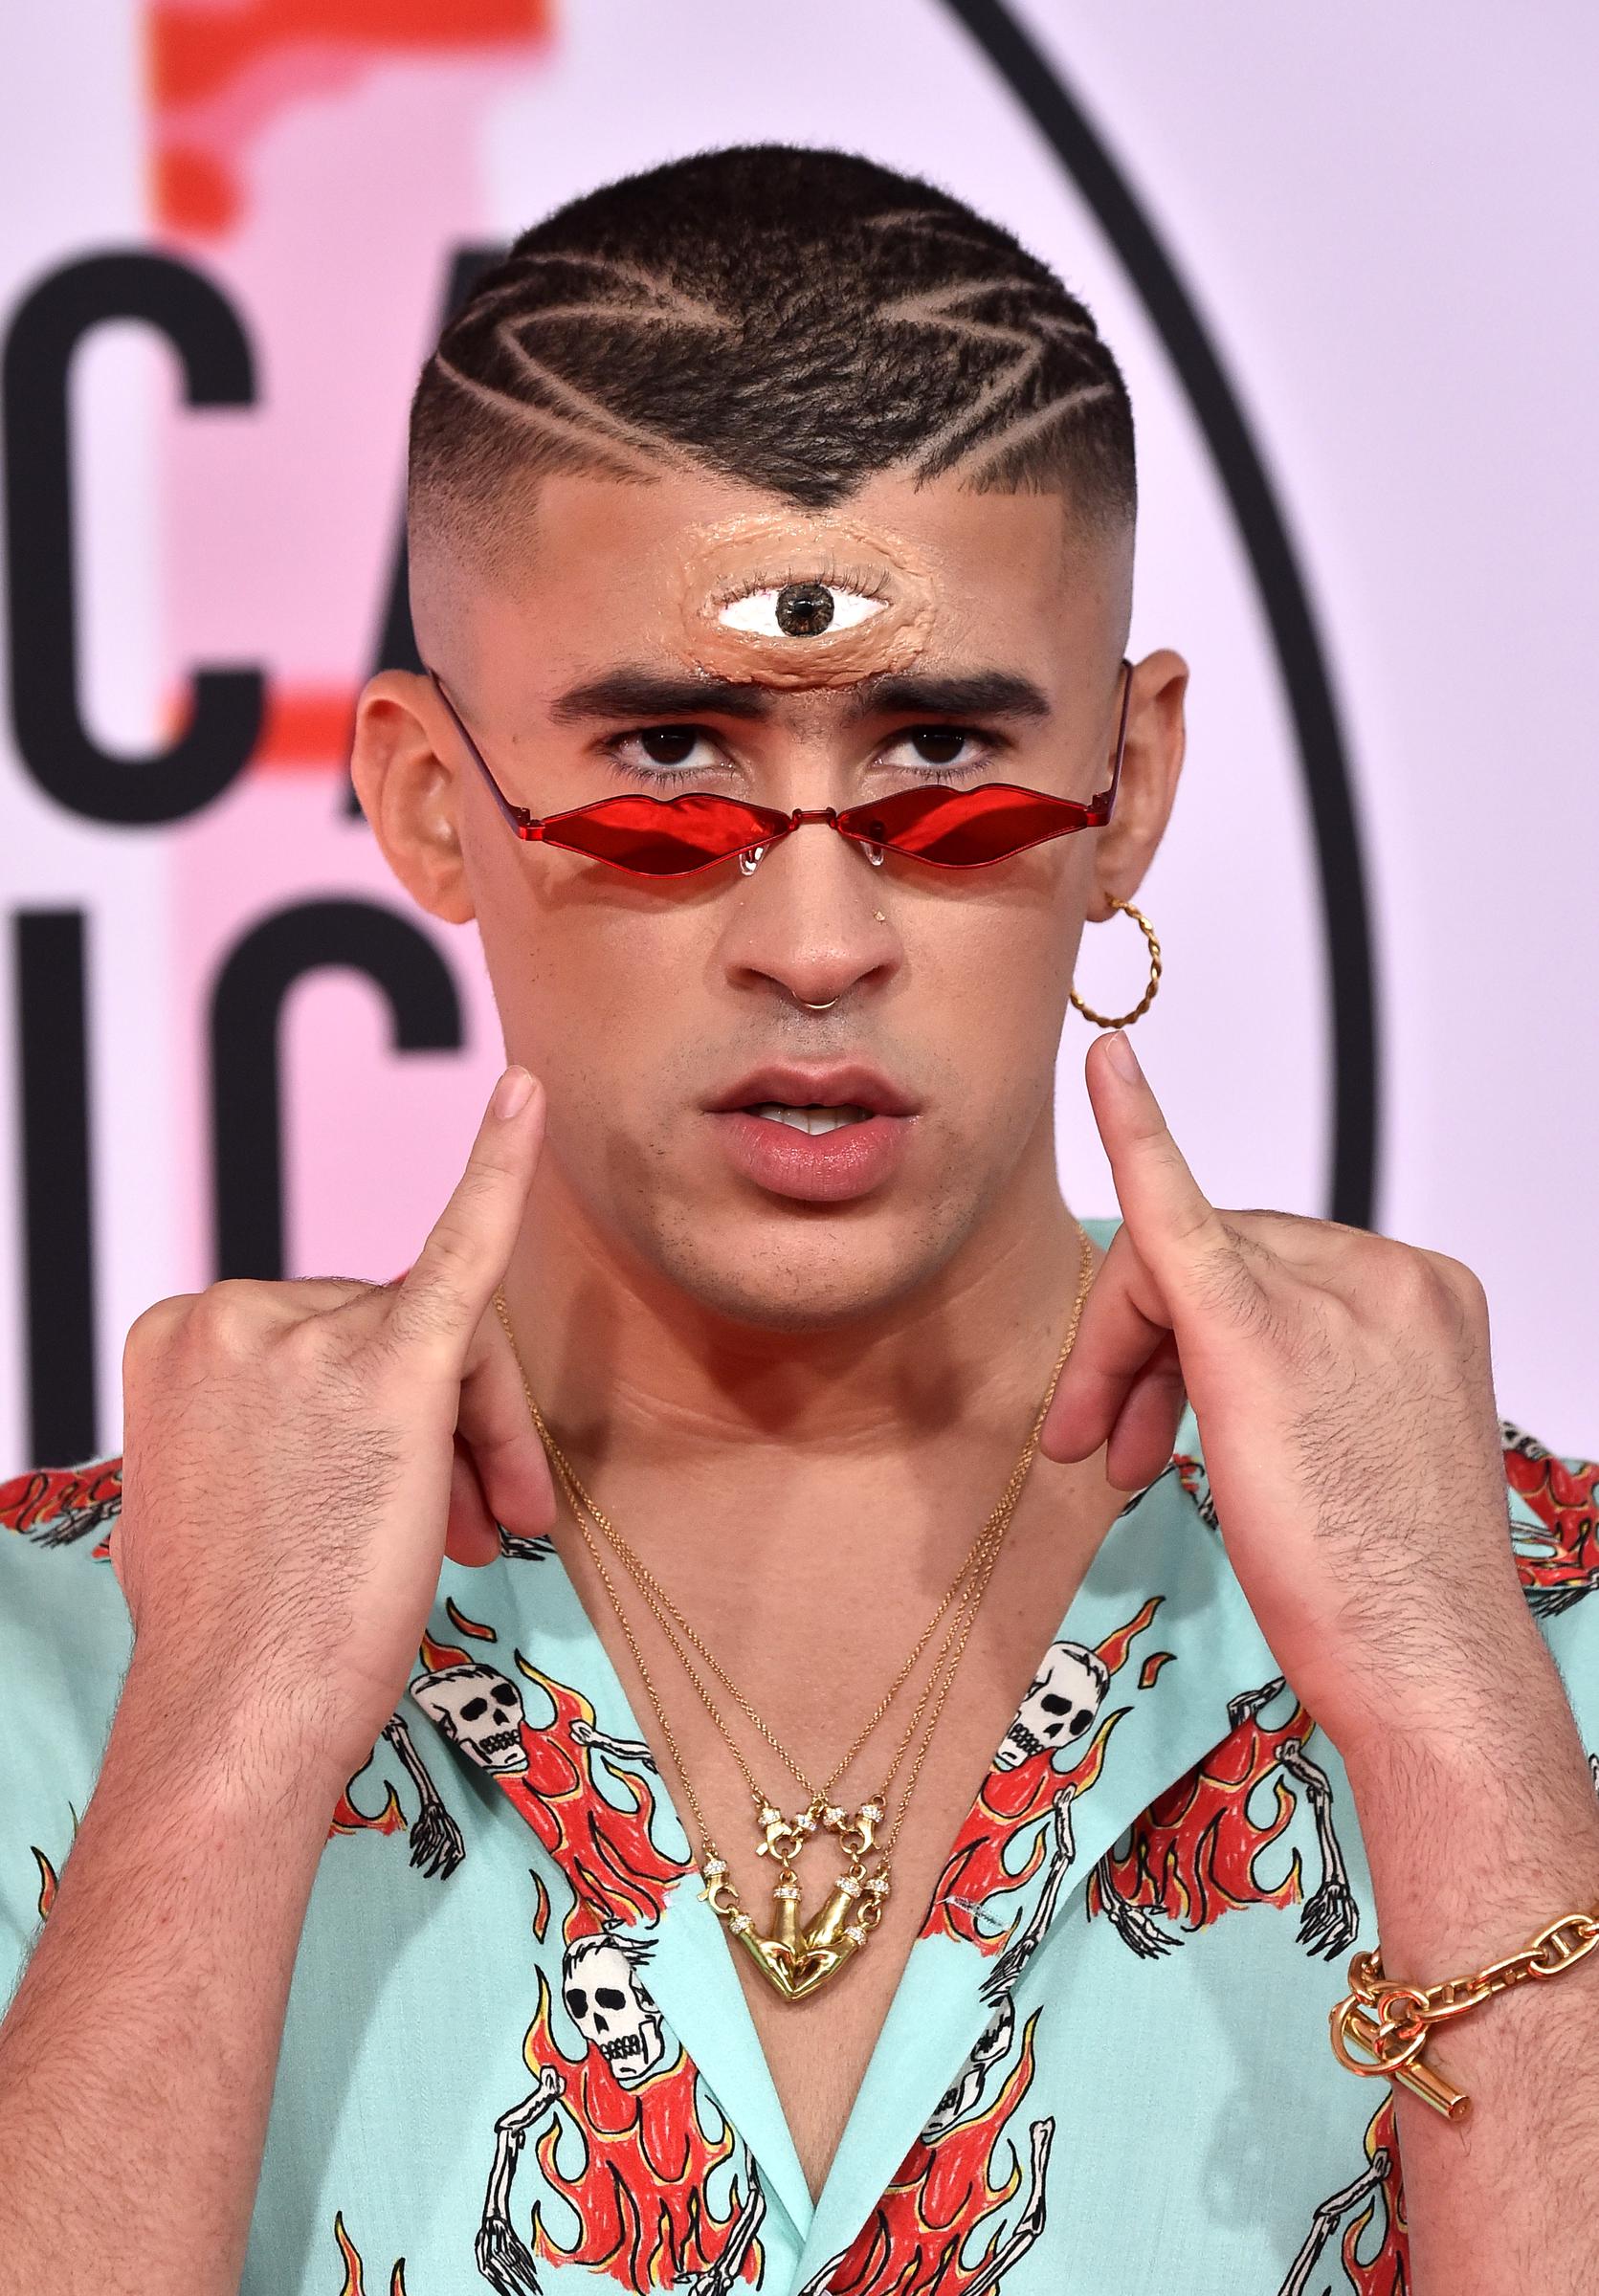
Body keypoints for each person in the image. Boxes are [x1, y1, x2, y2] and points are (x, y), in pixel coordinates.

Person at [1, 144, 1595, 2296]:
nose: (817, 938)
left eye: (941, 759)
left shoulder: (1532, 1640)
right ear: (422, 802)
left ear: (1124, 787)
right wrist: (208, 1759)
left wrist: (1455, 1725)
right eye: (671, 764)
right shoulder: (59, 1667)